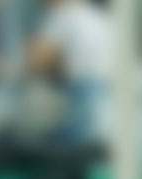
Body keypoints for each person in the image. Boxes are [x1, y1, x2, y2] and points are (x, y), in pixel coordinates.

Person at [27, 0, 112, 144]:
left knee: (77, 142)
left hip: (83, 86)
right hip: (107, 86)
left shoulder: (62, 15)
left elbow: (38, 58)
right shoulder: (95, 16)